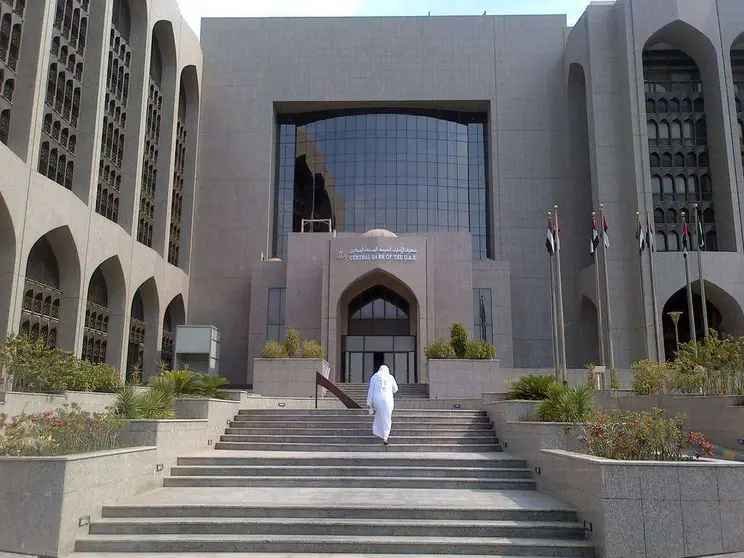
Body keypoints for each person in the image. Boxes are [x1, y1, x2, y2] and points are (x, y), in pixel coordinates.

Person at [366, 364, 399, 446]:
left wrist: (369, 402)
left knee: (379, 416)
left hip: (377, 399)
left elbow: (371, 390)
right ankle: (385, 436)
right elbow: (395, 389)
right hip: (388, 400)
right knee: (387, 417)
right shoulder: (390, 377)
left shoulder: (374, 377)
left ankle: (379, 432)